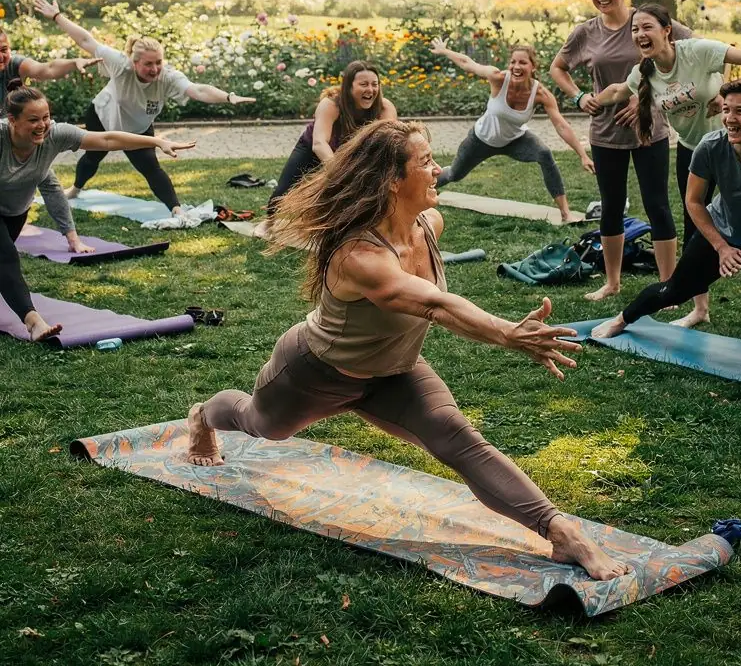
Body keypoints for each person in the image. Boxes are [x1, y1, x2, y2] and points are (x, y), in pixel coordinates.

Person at [186, 119, 629, 581]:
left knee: (458, 439)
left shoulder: (429, 223)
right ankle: (202, 415)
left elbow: (436, 301)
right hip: (316, 373)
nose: (438, 170)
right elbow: (436, 305)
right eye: (426, 162)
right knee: (260, 423)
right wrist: (507, 333)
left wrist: (505, 333)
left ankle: (561, 534)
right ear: (393, 180)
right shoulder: (358, 256)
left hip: (395, 372)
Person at [589, 3, 741, 330]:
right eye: (635, 29)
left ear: (667, 29)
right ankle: (698, 308)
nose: (639, 34)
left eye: (647, 27)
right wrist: (591, 99)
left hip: (735, 147)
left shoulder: (697, 52)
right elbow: (619, 91)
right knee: (698, 228)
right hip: (698, 151)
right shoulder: (644, 73)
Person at [0, 82, 194, 341]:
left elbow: (105, 138)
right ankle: (33, 320)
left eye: (46, 117)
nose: (42, 125)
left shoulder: (55, 135)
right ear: (11, 120)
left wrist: (156, 141)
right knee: (6, 257)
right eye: (33, 119)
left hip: (15, 211)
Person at [33, 0, 254, 214]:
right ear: (134, 62)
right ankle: (75, 189)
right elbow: (86, 41)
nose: (155, 69)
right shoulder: (120, 64)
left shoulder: (168, 77)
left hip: (138, 127)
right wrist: (56, 16)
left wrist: (228, 97)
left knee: (150, 167)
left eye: (158, 62)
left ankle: (176, 210)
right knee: (93, 157)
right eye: (148, 64)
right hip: (102, 116)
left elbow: (198, 90)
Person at [550, 0, 689, 298]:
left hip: (649, 131)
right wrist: (579, 96)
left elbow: (692, 53)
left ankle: (667, 286)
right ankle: (612, 283)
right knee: (611, 206)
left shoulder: (646, 23)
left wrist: (651, 97)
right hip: (605, 133)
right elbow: (557, 68)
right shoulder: (586, 32)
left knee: (657, 204)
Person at [430, 40, 593, 223]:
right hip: (481, 139)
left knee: (544, 154)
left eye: (522, 62)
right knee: (454, 174)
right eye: (513, 62)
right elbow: (468, 63)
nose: (516, 66)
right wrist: (445, 51)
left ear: (533, 67)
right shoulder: (498, 78)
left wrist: (582, 155)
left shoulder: (540, 94)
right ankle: (424, 188)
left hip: (515, 140)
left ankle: (565, 213)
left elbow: (561, 125)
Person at [0, 27, 99, 256]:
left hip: (20, 138)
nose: (1, 56)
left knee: (48, 181)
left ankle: (73, 239)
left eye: (4, 49)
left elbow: (46, 69)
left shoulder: (16, 65)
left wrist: (74, 62)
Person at [265, 61, 397, 217]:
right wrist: (342, 173)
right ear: (349, 86)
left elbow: (388, 145)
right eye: (364, 84)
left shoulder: (384, 108)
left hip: (355, 153)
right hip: (313, 150)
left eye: (375, 84)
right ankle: (269, 222)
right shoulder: (331, 104)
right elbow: (319, 143)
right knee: (279, 198)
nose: (370, 89)